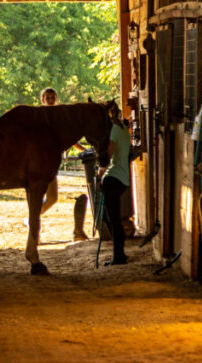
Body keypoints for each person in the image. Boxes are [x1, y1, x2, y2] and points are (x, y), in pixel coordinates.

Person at [34, 88, 86, 235]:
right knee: (38, 196)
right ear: (43, 100)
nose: (50, 101)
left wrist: (83, 150)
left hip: (52, 164)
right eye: (47, 98)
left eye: (52, 98)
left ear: (56, 99)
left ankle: (31, 219)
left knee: (52, 198)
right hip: (40, 162)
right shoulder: (39, 116)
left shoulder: (60, 117)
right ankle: (33, 227)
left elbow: (70, 137)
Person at [98, 100, 131, 265]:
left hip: (113, 178)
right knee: (109, 217)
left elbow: (108, 156)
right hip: (123, 178)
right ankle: (119, 253)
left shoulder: (114, 131)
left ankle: (119, 255)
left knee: (113, 219)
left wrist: (100, 169)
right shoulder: (125, 129)